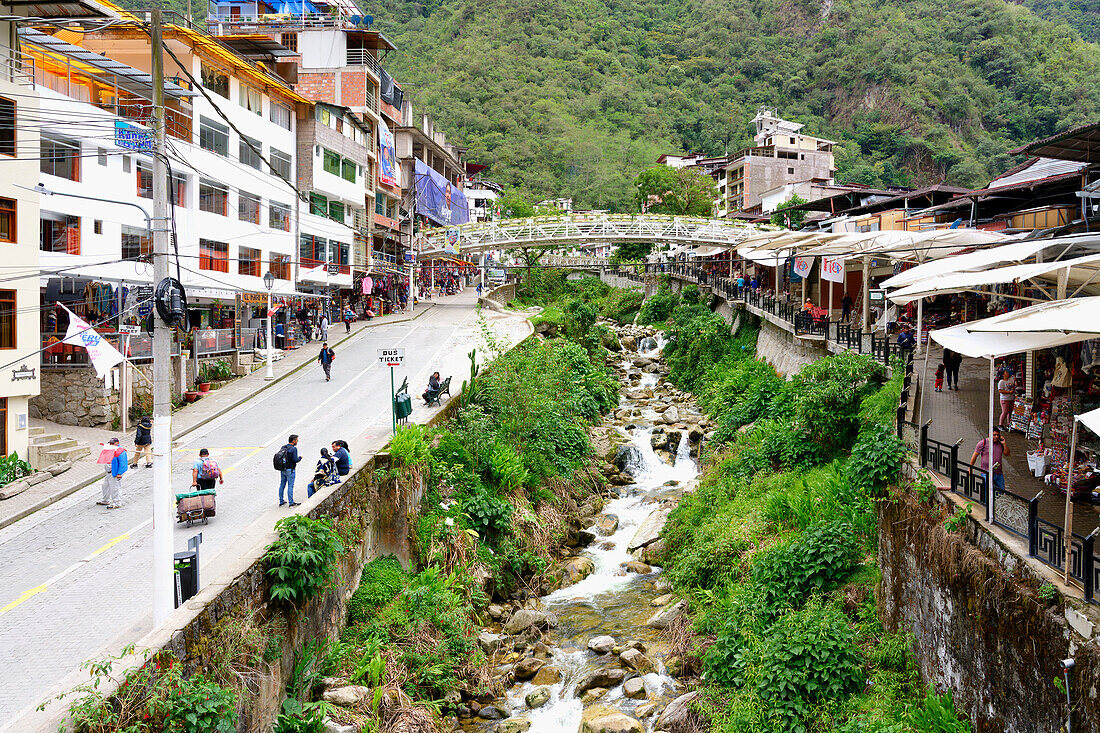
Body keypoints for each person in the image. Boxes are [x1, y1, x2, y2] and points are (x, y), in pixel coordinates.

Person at [971, 426, 1010, 493]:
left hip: (998, 473)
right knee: (987, 492)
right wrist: (970, 468)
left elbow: (1007, 454)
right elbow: (974, 456)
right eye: (994, 435)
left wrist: (1004, 444)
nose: (996, 437)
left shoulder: (1000, 444)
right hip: (986, 472)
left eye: (998, 435)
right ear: (989, 435)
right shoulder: (983, 443)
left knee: (1001, 492)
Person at [96, 437, 128, 509]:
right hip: (109, 472)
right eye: (110, 443)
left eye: (112, 443)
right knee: (105, 486)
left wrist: (119, 473)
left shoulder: (120, 451)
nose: (111, 444)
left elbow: (123, 463)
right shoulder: (111, 448)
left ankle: (117, 503)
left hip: (115, 472)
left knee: (115, 488)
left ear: (117, 443)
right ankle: (105, 500)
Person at [276, 434, 303, 507]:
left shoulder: (283, 447)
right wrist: (300, 457)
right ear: (293, 441)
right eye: (297, 440)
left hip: (283, 469)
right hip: (290, 470)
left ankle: (281, 500)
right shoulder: (293, 449)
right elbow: (295, 460)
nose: (297, 441)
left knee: (282, 484)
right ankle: (291, 502)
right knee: (290, 486)